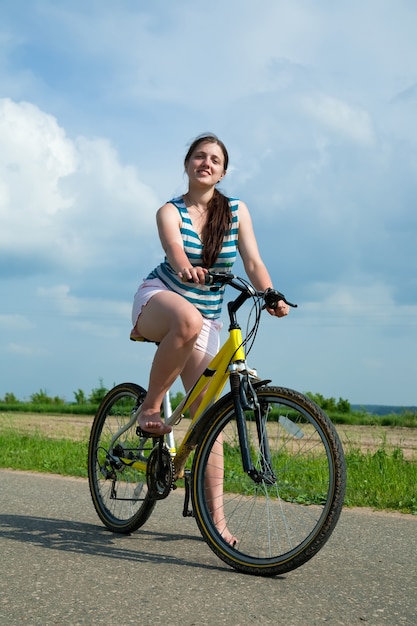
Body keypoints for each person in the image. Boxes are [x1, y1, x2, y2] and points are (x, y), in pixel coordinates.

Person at [131, 133, 289, 544]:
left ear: (223, 170)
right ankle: (150, 408)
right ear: (187, 164)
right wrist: (185, 267)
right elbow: (174, 250)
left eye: (215, 159)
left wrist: (269, 292)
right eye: (199, 156)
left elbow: (252, 260)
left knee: (211, 422)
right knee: (186, 319)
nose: (207, 163)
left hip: (206, 321)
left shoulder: (235, 211)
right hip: (159, 303)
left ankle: (215, 522)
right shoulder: (170, 210)